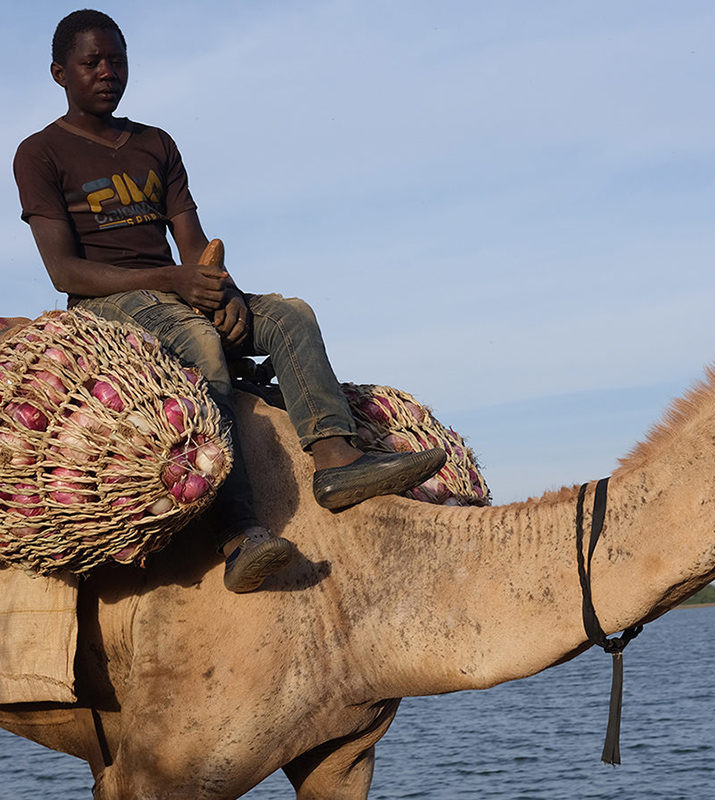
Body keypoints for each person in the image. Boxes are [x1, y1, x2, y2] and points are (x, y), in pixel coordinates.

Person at [13, 10, 446, 592]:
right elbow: (63, 270)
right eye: (91, 62)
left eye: (117, 60)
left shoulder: (155, 144)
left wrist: (227, 293)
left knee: (291, 316)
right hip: (108, 306)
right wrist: (174, 282)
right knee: (201, 343)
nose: (107, 72)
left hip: (177, 287)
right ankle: (237, 530)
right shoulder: (40, 153)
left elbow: (194, 243)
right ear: (59, 73)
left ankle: (338, 462)